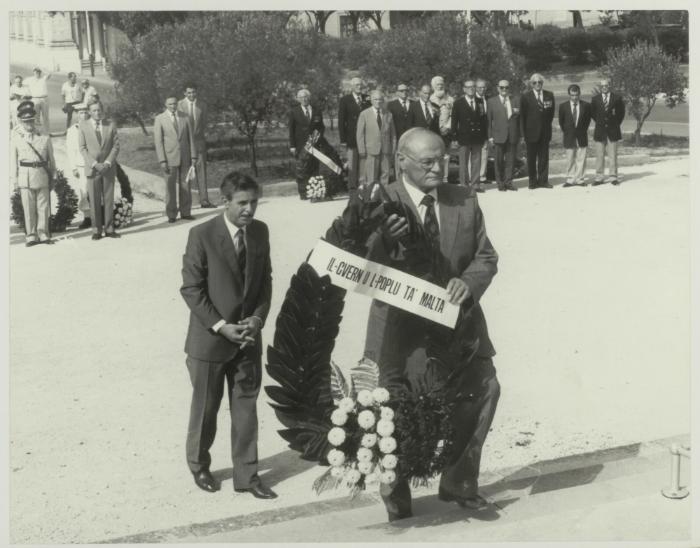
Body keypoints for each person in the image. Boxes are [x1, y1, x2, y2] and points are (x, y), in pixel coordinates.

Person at [363, 127, 500, 522]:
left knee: (485, 389)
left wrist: (468, 282)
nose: (439, 167)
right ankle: (396, 490)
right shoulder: (378, 201)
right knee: (394, 411)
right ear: (401, 161)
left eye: (444, 158)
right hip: (398, 332)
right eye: (428, 162)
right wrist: (382, 241)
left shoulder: (464, 200)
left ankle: (459, 482)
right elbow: (359, 265)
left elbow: (486, 257)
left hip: (459, 328)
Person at [180, 171, 277, 500]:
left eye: (254, 202)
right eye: (242, 203)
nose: (250, 210)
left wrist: (256, 320)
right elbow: (191, 289)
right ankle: (199, 465)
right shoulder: (202, 235)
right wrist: (222, 326)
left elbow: (265, 282)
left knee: (246, 409)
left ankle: (247, 476)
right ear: (226, 202)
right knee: (206, 408)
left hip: (248, 339)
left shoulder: (260, 232)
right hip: (210, 342)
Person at [9, 101, 56, 246]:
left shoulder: (44, 137)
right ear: (21, 122)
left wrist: (53, 176)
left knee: (43, 206)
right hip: (25, 176)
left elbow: (51, 159)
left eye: (30, 120)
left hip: (41, 174)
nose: (29, 123)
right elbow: (13, 161)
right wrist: (15, 179)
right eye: (25, 121)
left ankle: (43, 234)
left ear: (34, 120)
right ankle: (31, 235)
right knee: (28, 207)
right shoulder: (16, 139)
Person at [78, 100, 121, 240]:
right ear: (89, 112)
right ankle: (96, 230)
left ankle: (109, 229)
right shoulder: (83, 126)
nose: (97, 113)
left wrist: (108, 162)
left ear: (102, 111)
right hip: (93, 168)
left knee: (108, 199)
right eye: (94, 110)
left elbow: (116, 146)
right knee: (95, 200)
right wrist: (95, 164)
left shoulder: (110, 125)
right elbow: (82, 148)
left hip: (107, 168)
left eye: (99, 110)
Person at [154, 95, 198, 222]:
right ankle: (172, 214)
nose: (173, 106)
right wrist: (162, 160)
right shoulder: (160, 119)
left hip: (185, 157)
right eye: (170, 104)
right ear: (165, 105)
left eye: (174, 104)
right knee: (170, 186)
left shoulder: (185, 117)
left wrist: (193, 156)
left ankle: (185, 212)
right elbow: (158, 142)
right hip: (169, 158)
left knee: (186, 185)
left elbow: (191, 138)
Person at [178, 83, 215, 208]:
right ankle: (185, 203)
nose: (191, 95)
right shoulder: (178, 105)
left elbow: (203, 124)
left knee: (201, 170)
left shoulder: (202, 105)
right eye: (188, 92)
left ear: (196, 92)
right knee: (184, 172)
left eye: (193, 92)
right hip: (184, 144)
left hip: (199, 142)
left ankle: (204, 200)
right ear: (184, 93)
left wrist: (199, 138)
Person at [451, 79, 487, 192]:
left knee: (476, 162)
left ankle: (475, 184)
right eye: (468, 87)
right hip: (464, 137)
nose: (471, 89)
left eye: (473, 87)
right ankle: (464, 185)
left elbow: (483, 120)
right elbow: (454, 121)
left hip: (477, 136)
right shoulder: (458, 103)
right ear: (464, 89)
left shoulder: (480, 101)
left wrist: (485, 136)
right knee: (463, 163)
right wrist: (454, 137)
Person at [520, 73, 555, 189]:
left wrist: (547, 127)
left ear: (542, 83)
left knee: (544, 158)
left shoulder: (549, 95)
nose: (537, 84)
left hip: (545, 132)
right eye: (535, 82)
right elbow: (522, 117)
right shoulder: (525, 97)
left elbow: (551, 114)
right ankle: (532, 181)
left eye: (539, 82)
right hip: (531, 133)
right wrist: (523, 134)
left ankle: (543, 181)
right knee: (531, 158)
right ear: (531, 84)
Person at [288, 89, 325, 200]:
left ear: (309, 98)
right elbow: (291, 130)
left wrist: (317, 138)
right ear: (298, 99)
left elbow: (321, 127)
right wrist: (292, 146)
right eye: (301, 97)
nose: (304, 99)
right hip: (300, 146)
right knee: (302, 169)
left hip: (314, 144)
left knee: (314, 168)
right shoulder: (294, 112)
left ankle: (315, 192)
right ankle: (304, 193)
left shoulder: (317, 110)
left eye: (306, 97)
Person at [338, 77, 370, 199]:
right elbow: (341, 121)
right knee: (352, 164)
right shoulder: (345, 100)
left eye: (361, 85)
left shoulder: (367, 99)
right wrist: (343, 140)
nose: (359, 87)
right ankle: (352, 189)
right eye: (356, 85)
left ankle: (362, 188)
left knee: (364, 163)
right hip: (351, 137)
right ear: (351, 87)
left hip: (366, 137)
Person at [356, 90, 396, 187]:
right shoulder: (364, 114)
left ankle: (385, 198)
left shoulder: (388, 114)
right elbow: (360, 134)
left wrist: (393, 149)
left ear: (383, 101)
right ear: (371, 100)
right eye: (375, 99)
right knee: (371, 176)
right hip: (371, 150)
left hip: (386, 150)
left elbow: (393, 135)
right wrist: (361, 150)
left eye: (380, 99)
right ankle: (371, 197)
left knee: (385, 175)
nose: (378, 101)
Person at [487, 80, 520, 191]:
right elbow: (488, 121)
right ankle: (500, 183)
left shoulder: (515, 100)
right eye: (502, 87)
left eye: (506, 87)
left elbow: (519, 119)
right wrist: (490, 137)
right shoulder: (491, 102)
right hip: (498, 136)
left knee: (511, 161)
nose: (504, 89)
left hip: (512, 135)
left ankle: (509, 182)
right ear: (498, 88)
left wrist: (520, 135)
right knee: (498, 161)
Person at [590, 79, 625, 186]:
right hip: (600, 130)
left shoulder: (617, 98)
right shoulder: (595, 99)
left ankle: (613, 177)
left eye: (606, 85)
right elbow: (593, 114)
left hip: (613, 130)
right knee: (599, 155)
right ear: (600, 87)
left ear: (609, 86)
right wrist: (601, 122)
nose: (604, 87)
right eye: (602, 86)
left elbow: (621, 114)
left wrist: (614, 123)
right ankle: (599, 177)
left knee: (612, 155)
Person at [558, 84, 592, 187]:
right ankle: (570, 179)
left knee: (581, 157)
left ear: (579, 94)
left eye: (576, 95)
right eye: (572, 95)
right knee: (570, 158)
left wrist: (581, 130)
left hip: (581, 135)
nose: (575, 97)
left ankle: (580, 179)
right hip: (569, 135)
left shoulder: (586, 106)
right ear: (569, 95)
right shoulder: (563, 106)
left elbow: (587, 120)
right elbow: (561, 121)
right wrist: (568, 131)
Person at [66, 102, 92, 228]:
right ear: (76, 114)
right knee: (84, 190)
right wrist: (73, 167)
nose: (84, 114)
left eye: (86, 112)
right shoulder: (72, 130)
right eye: (81, 112)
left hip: (94, 164)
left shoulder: (94, 126)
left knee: (97, 189)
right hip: (81, 164)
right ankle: (87, 217)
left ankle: (99, 214)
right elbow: (70, 150)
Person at [430, 76, 454, 183]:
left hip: (446, 131)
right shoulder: (430, 99)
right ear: (433, 86)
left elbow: (453, 115)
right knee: (434, 155)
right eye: (437, 84)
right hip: (433, 132)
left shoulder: (450, 99)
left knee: (446, 156)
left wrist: (447, 127)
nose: (440, 86)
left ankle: (445, 177)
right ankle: (435, 177)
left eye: (441, 84)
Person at [475, 79, 490, 184]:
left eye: (483, 87)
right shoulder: (472, 99)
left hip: (485, 131)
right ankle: (473, 177)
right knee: (474, 155)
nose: (482, 89)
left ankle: (482, 177)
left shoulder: (488, 99)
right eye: (479, 87)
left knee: (484, 154)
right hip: (474, 131)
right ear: (476, 88)